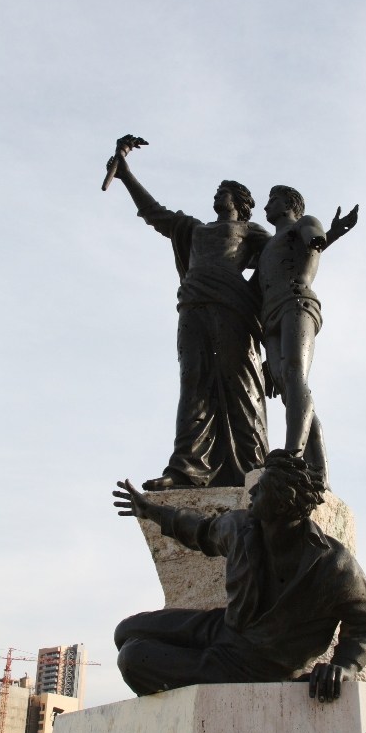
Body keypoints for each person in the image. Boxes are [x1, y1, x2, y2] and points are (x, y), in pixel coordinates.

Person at [112, 450, 366, 702]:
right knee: (125, 631)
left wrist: (344, 666)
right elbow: (199, 530)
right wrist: (149, 510)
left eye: (262, 487)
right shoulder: (241, 527)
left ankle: (196, 693)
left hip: (257, 665)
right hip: (224, 627)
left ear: (283, 503)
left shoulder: (332, 563)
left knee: (133, 657)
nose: (252, 490)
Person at [106, 136, 270, 489]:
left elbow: (282, 261)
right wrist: (125, 174)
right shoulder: (193, 229)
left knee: (242, 385)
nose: (217, 195)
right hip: (194, 306)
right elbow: (154, 213)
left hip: (233, 309)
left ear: (239, 202)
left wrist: (321, 238)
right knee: (194, 384)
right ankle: (185, 470)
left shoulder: (250, 232)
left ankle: (255, 469)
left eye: (223, 192)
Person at [258, 186, 358, 485]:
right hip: (270, 318)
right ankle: (318, 470)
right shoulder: (268, 245)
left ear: (290, 204)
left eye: (273, 200)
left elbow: (314, 238)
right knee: (287, 389)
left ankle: (293, 454)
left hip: (296, 303)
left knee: (294, 375)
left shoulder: (304, 223)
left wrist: (328, 234)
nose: (266, 206)